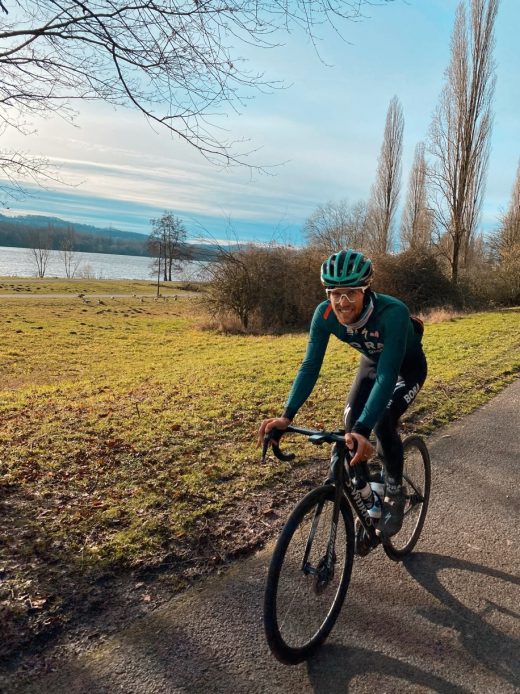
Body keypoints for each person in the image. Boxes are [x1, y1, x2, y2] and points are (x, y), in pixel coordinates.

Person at [257, 249, 427, 538]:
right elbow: (310, 366)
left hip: (404, 369)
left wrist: (364, 428)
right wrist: (287, 416)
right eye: (334, 293)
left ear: (366, 290)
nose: (341, 302)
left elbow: (388, 376)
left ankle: (394, 492)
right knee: (350, 421)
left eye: (350, 293)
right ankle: (366, 493)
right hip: (372, 365)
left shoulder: (392, 313)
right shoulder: (324, 315)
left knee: (381, 419)